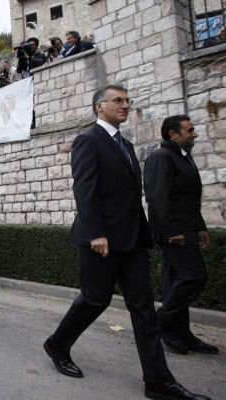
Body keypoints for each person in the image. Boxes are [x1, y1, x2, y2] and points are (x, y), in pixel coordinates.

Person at [43, 84, 211, 400]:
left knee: (144, 309)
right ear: (99, 107)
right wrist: (95, 233)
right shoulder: (88, 140)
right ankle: (57, 344)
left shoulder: (126, 144)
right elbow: (85, 190)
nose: (125, 105)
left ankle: (158, 382)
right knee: (95, 299)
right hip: (101, 239)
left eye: (127, 101)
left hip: (132, 239)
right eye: (117, 101)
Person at [144, 115, 218, 356]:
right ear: (173, 135)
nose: (194, 134)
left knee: (174, 282)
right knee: (194, 276)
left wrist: (200, 227)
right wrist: (171, 232)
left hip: (186, 229)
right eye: (190, 130)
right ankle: (160, 323)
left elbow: (189, 199)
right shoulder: (161, 157)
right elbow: (157, 198)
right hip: (173, 232)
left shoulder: (184, 157)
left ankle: (180, 333)